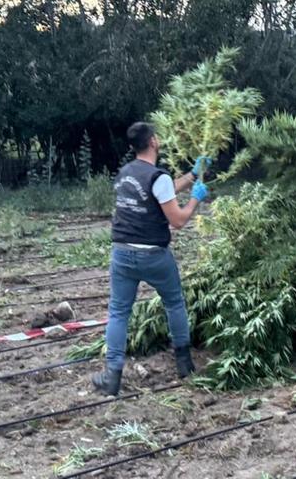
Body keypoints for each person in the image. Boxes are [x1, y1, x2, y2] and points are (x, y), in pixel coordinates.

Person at [92, 121, 210, 396]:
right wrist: (195, 199)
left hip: (122, 254)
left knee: (119, 312)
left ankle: (112, 377)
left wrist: (192, 175)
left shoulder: (125, 173)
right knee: (174, 303)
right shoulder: (159, 177)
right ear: (154, 142)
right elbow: (178, 220)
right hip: (153, 255)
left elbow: (161, 190)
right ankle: (184, 363)